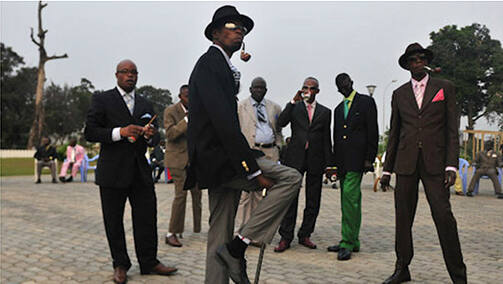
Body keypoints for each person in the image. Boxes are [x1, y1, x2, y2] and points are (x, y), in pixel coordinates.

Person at [185, 6, 302, 283]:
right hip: (220, 159)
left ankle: (228, 255)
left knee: (218, 234)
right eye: (230, 25)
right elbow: (224, 123)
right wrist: (252, 170)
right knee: (290, 178)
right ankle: (239, 246)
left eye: (242, 27)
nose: (238, 30)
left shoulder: (222, 65)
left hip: (218, 160)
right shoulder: (211, 63)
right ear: (215, 33)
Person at [84, 59, 177, 284]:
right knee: (113, 221)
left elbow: (156, 137)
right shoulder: (102, 99)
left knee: (147, 218)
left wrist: (150, 135)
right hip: (112, 171)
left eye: (134, 72)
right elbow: (91, 132)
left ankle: (149, 262)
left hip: (140, 172)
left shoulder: (145, 103)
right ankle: (120, 264)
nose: (130, 76)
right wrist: (120, 132)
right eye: (125, 72)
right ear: (116, 75)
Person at [380, 43, 466, 284]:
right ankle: (402, 268)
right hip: (406, 164)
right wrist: (387, 170)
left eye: (420, 59)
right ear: (407, 65)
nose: (417, 63)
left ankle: (459, 275)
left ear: (426, 61)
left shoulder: (444, 88)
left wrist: (451, 165)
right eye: (412, 60)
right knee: (403, 218)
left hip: (436, 164)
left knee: (443, 216)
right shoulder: (399, 94)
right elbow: (395, 134)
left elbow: (451, 129)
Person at [274, 76, 332, 253]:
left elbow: (326, 139)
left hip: (315, 159)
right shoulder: (295, 107)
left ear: (317, 91)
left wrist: (330, 165)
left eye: (311, 88)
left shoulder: (325, 112)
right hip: (294, 158)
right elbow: (280, 123)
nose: (308, 90)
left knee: (313, 199)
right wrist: (292, 101)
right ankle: (286, 237)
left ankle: (305, 234)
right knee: (291, 198)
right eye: (305, 87)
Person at [326, 73, 378, 261]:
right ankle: (352, 240)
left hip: (358, 160)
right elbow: (336, 137)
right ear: (338, 88)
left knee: (350, 198)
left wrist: (369, 158)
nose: (344, 86)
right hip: (342, 162)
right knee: (348, 201)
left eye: (346, 82)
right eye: (340, 85)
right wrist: (333, 164)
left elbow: (373, 131)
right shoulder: (338, 109)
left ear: (352, 82)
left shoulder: (366, 102)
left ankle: (347, 242)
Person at [235, 77, 284, 238]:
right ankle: (240, 231)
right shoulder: (241, 107)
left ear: (266, 90)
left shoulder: (274, 107)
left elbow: (278, 129)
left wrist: (278, 146)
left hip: (269, 152)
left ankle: (254, 233)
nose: (258, 90)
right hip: (250, 152)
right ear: (250, 89)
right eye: (256, 88)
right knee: (246, 193)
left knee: (261, 194)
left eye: (262, 88)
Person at [164, 84, 202, 247]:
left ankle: (197, 228)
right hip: (177, 160)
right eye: (187, 96)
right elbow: (171, 134)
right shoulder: (171, 111)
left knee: (197, 194)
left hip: (194, 160)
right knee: (181, 195)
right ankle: (171, 232)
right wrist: (187, 120)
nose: (191, 99)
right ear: (180, 97)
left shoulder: (199, 111)